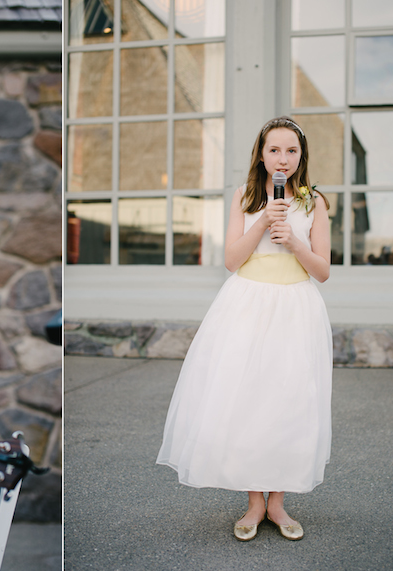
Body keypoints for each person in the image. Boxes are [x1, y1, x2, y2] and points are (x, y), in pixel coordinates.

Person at [156, 116, 332, 542]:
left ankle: (278, 503)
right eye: (275, 150)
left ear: (301, 156)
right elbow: (232, 260)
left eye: (292, 151)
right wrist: (261, 222)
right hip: (248, 304)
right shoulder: (246, 196)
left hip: (295, 307)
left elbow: (323, 271)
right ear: (261, 153)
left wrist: (294, 241)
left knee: (291, 403)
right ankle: (255, 502)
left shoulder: (314, 202)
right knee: (250, 400)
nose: (283, 159)